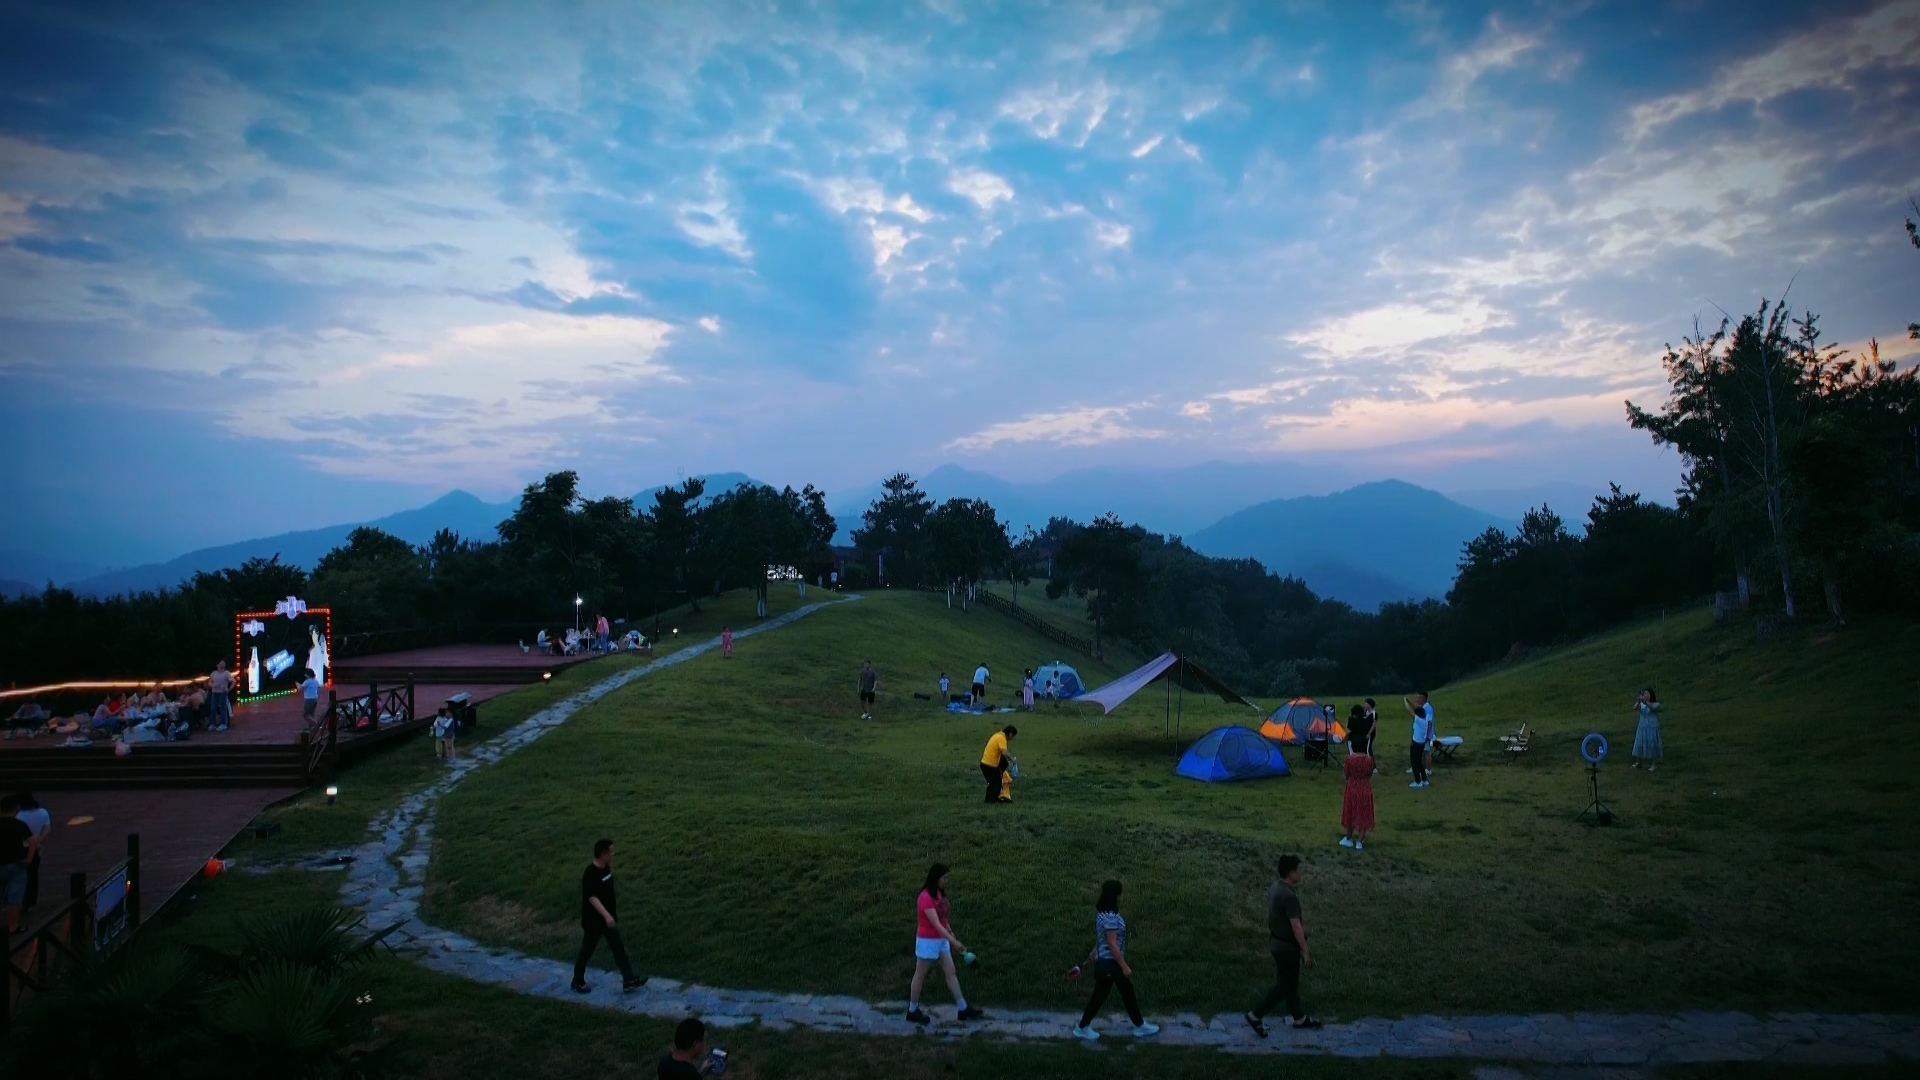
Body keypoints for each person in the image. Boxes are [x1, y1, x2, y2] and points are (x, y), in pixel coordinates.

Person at [1244, 855, 1323, 1035]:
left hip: (1276, 942)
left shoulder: (1275, 888)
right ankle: (1255, 1015)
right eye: (1298, 870)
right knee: (1285, 986)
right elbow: (1296, 926)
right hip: (1287, 948)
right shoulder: (1289, 897)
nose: (1300, 874)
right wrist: (1306, 951)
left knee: (1290, 983)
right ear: (1291, 873)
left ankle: (1299, 1018)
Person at [1070, 879, 1158, 1041]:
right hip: (1111, 964)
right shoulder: (1111, 916)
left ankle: (1140, 1025)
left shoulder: (1102, 914)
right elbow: (1112, 943)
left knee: (1125, 993)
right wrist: (1124, 966)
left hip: (1106, 962)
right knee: (1102, 997)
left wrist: (1095, 950)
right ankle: (1082, 1028)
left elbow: (1103, 938)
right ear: (1115, 895)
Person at [905, 863, 981, 1025]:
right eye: (944, 878)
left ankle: (963, 1008)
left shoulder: (939, 894)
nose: (946, 881)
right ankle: (912, 1011)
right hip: (928, 942)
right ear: (936, 878)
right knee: (920, 974)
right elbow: (936, 924)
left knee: (950, 972)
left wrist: (951, 934)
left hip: (940, 940)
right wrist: (953, 941)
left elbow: (943, 919)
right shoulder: (925, 897)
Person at [571, 839, 647, 994]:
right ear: (603, 854)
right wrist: (606, 916)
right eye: (610, 852)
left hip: (607, 920)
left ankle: (629, 979)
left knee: (618, 949)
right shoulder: (590, 873)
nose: (613, 855)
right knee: (587, 950)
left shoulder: (606, 868)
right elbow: (592, 898)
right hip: (594, 921)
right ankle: (577, 981)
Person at [0, 794, 37, 934]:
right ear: (15, 809)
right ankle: (13, 926)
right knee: (14, 898)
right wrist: (29, 858)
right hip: (15, 865)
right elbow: (32, 841)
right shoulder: (19, 825)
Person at [13, 792, 48, 913]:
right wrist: (38, 841)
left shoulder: (20, 816)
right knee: (33, 875)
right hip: (37, 847)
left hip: (23, 847)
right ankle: (31, 901)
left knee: (21, 875)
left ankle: (19, 901)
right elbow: (47, 828)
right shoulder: (43, 812)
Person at [1339, 733, 1375, 850]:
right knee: (1364, 812)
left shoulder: (1349, 759)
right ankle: (1360, 841)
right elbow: (1369, 774)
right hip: (1364, 787)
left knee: (1351, 812)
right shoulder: (1369, 760)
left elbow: (1346, 773)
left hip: (1352, 787)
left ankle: (1348, 838)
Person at [1404, 692, 1434, 789]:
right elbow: (1415, 710)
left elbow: (1411, 711)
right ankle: (1424, 780)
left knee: (1415, 762)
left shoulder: (1418, 720)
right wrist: (1410, 701)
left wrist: (1405, 701)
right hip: (1420, 744)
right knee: (1420, 762)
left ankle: (1418, 781)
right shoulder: (1423, 720)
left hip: (1416, 744)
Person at [980, 725, 1016, 804]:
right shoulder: (1001, 738)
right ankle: (992, 800)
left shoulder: (997, 735)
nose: (1011, 739)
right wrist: (1012, 760)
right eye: (1012, 737)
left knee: (994, 782)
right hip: (989, 765)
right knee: (995, 783)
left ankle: (990, 799)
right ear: (1010, 734)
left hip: (986, 763)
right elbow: (1004, 752)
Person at [1632, 687, 1663, 771]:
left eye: (1647, 694)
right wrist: (1639, 701)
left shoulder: (1656, 704)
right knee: (1639, 744)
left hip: (1652, 727)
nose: (1645, 695)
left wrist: (1646, 702)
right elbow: (1635, 708)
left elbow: (1654, 708)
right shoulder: (1641, 704)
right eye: (1644, 694)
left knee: (1652, 745)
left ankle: (1653, 764)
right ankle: (1639, 762)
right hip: (1642, 727)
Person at [209, 660, 233, 731]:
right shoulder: (214, 673)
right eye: (220, 663)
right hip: (214, 692)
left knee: (223, 708)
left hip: (222, 692)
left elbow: (233, 681)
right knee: (213, 708)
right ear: (217, 665)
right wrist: (212, 685)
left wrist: (229, 689)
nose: (222, 664)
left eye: (223, 663)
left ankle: (223, 723)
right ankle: (212, 723)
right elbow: (209, 682)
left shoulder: (226, 673)